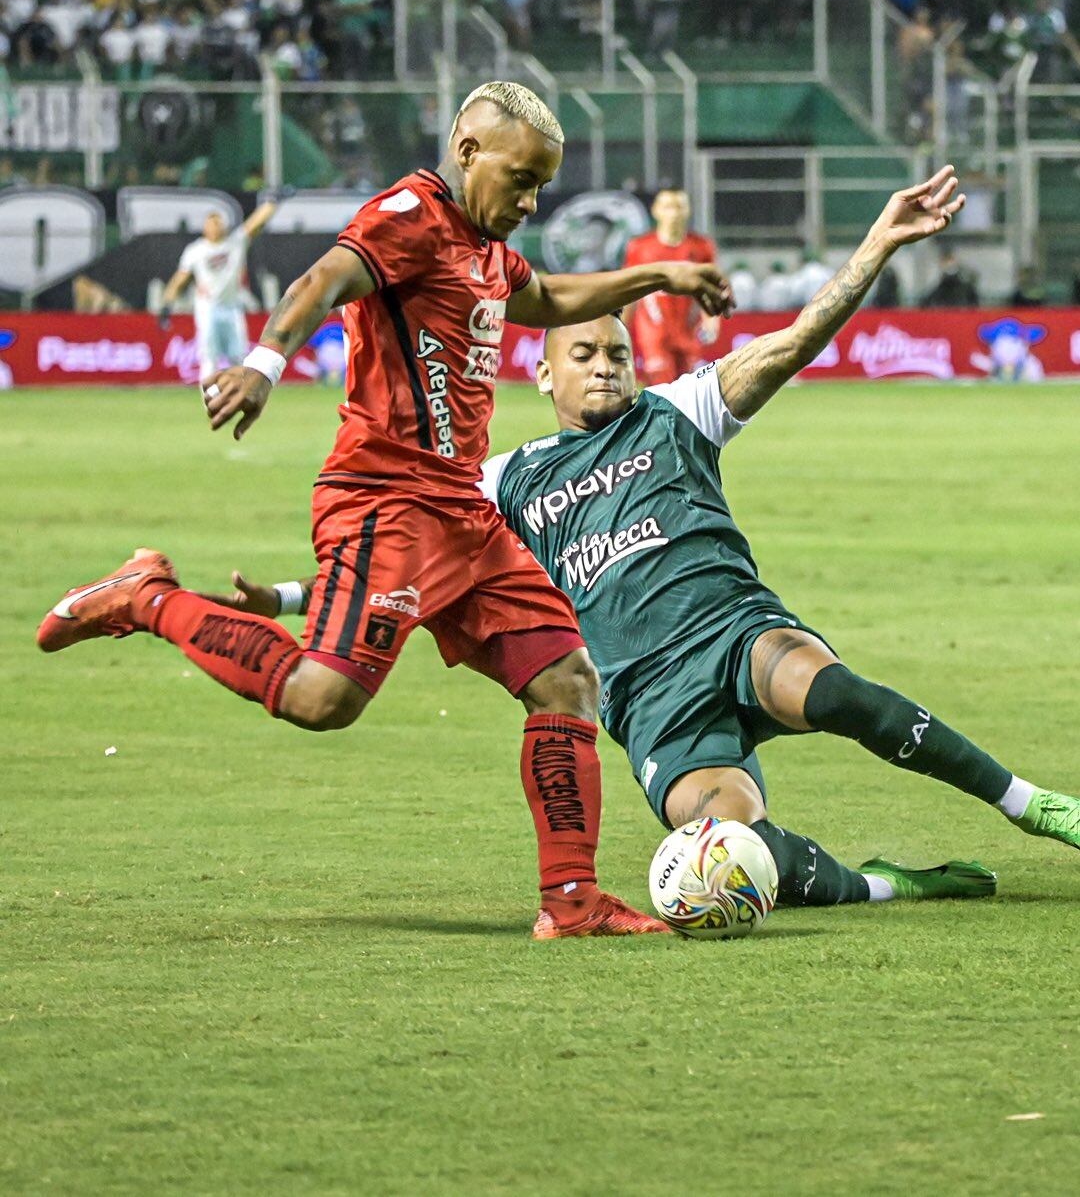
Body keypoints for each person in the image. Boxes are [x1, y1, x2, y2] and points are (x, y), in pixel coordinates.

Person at [224, 164, 1080, 906]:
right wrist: (294, 596)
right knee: (729, 856)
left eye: (618, 354)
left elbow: (793, 342)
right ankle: (890, 884)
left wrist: (878, 246)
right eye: (587, 354)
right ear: (542, 370)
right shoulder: (503, 480)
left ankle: (1029, 802)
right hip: (647, 702)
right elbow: (409, 563)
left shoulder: (677, 413)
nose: (607, 366)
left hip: (732, 632)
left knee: (833, 690)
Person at [36, 82, 730, 940]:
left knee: (566, 679)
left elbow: (545, 301)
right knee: (322, 698)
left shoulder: (485, 250)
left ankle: (572, 900)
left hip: (464, 515)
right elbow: (325, 277)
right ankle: (148, 596)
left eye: (540, 187)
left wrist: (661, 272)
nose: (529, 201)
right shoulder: (411, 215)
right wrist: (264, 360)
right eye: (519, 180)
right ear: (468, 149)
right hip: (387, 501)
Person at [159, 199, 280, 383]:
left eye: (218, 223)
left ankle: (238, 395)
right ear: (205, 228)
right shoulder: (196, 250)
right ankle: (210, 398)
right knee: (209, 356)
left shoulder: (235, 242)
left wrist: (273, 202)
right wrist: (167, 304)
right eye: (211, 223)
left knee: (239, 356)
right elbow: (180, 279)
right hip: (208, 307)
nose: (215, 227)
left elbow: (254, 222)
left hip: (232, 306)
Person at [624, 189, 717, 383]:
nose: (673, 213)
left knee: (688, 393)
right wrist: (622, 327)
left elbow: (710, 289)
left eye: (679, 207)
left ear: (688, 210)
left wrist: (711, 321)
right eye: (667, 207)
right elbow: (629, 291)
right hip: (654, 333)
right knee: (662, 391)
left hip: (688, 331)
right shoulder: (639, 248)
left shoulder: (701, 247)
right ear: (656, 211)